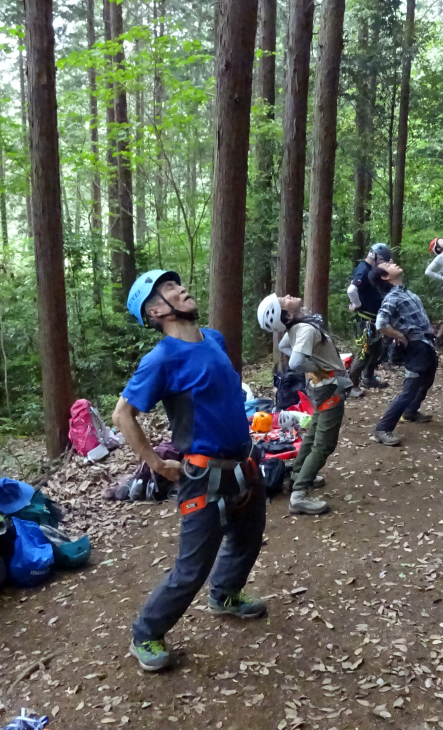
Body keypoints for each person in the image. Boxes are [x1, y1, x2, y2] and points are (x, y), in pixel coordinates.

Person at [113, 270, 267, 673]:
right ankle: (146, 632)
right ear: (155, 312)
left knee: (248, 538)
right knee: (191, 567)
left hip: (243, 465)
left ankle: (225, 595)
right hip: (202, 476)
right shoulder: (161, 359)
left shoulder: (213, 339)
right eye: (167, 289)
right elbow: (122, 414)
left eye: (176, 285)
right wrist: (156, 463)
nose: (180, 289)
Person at [257, 293, 351, 516]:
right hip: (328, 387)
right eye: (282, 301)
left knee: (314, 432)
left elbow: (283, 345)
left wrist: (314, 367)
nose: (287, 296)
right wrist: (316, 367)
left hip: (320, 386)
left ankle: (298, 474)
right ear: (287, 314)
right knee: (324, 444)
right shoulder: (305, 330)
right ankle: (299, 494)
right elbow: (295, 361)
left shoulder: (297, 329)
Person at [369, 261, 438, 446]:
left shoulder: (405, 292)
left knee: (428, 378)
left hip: (426, 344)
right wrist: (400, 335)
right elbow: (380, 324)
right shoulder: (392, 297)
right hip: (416, 347)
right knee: (409, 390)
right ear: (385, 276)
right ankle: (383, 429)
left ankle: (410, 411)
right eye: (387, 264)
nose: (392, 262)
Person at [347, 243, 393, 393]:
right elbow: (352, 289)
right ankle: (352, 385)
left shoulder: (371, 270)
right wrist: (357, 304)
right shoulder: (363, 269)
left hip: (375, 318)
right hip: (366, 319)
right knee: (364, 353)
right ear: (377, 257)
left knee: (376, 350)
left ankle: (369, 378)